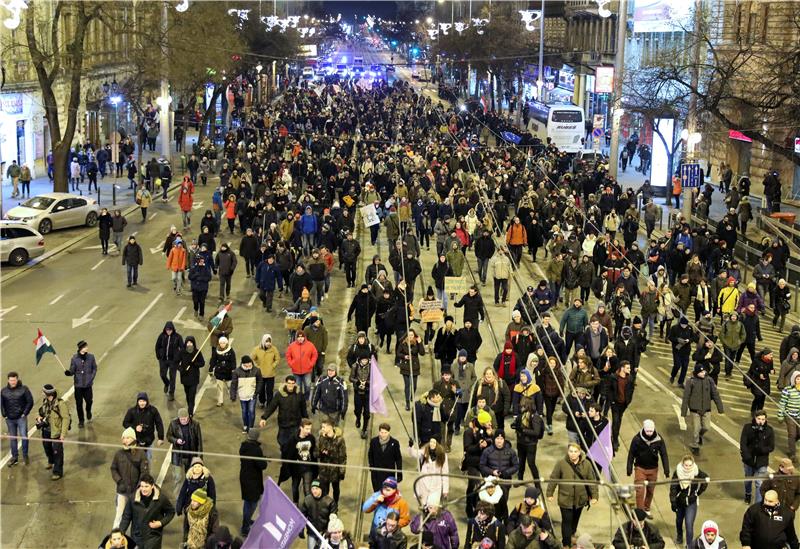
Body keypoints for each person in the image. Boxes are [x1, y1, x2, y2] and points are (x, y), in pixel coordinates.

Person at [547, 443, 599, 548]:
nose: (573, 454)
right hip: (565, 499)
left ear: (579, 452)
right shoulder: (561, 464)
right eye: (571, 451)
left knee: (575, 520)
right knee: (566, 521)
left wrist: (595, 496)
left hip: (580, 499)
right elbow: (553, 479)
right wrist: (549, 493)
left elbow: (591, 481)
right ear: (567, 451)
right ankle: (566, 543)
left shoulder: (587, 464)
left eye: (575, 451)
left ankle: (571, 535)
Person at [627, 418, 670, 515]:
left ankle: (646, 508)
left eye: (651, 431)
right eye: (647, 431)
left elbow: (664, 454)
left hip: (653, 469)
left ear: (654, 429)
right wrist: (629, 468)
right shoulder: (637, 439)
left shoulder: (659, 439)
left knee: (650, 490)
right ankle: (640, 511)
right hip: (640, 468)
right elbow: (631, 454)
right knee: (639, 491)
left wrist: (666, 470)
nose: (649, 433)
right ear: (643, 429)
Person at [681, 364, 724, 456]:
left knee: (706, 427)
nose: (703, 373)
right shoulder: (691, 381)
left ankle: (700, 435)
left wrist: (720, 408)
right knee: (696, 428)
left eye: (704, 371)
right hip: (694, 410)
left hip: (706, 409)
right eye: (701, 372)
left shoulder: (709, 380)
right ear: (697, 372)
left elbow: (715, 394)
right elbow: (686, 397)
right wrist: (684, 411)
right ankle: (695, 445)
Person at [111, 427, 149, 530]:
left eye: (128, 438)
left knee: (137, 517)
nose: (125, 440)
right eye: (123, 438)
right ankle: (115, 538)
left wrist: (139, 488)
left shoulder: (141, 454)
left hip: (136, 492)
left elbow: (144, 473)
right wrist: (119, 481)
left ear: (133, 438)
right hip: (122, 492)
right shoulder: (119, 454)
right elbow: (113, 469)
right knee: (119, 516)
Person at [669, 454, 708, 546]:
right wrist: (673, 501)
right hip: (680, 502)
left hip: (691, 502)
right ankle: (679, 536)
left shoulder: (696, 472)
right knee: (679, 521)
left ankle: (689, 545)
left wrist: (698, 493)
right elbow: (673, 488)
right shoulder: (677, 472)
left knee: (689, 524)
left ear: (693, 464)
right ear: (682, 464)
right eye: (686, 465)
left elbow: (705, 479)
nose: (688, 467)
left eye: (690, 465)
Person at [260, 375, 309, 447]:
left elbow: (303, 408)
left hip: (296, 423)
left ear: (295, 384)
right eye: (289, 383)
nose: (291, 385)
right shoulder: (279, 395)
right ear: (285, 383)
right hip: (283, 424)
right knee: (282, 441)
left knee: (295, 442)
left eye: (293, 383)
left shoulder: (299, 394)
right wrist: (264, 418)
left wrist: (306, 419)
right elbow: (272, 406)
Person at [129, 474, 175, 549]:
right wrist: (121, 533)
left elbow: (171, 512)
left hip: (153, 536)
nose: (143, 489)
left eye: (146, 486)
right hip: (137, 536)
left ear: (152, 486)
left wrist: (160, 523)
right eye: (142, 486)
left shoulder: (161, 499)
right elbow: (126, 516)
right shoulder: (133, 498)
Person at [35, 384, 70, 480]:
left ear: (47, 393)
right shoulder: (45, 401)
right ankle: (50, 461)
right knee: (47, 447)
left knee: (57, 452)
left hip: (56, 432)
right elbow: (41, 411)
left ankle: (57, 472)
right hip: (46, 430)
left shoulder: (60, 404)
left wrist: (62, 434)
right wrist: (39, 417)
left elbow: (66, 419)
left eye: (43, 392)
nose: (42, 393)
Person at [740, 409, 775, 504]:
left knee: (759, 483)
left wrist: (762, 449)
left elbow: (771, 447)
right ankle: (748, 494)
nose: (761, 421)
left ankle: (757, 504)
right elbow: (743, 443)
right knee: (748, 480)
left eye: (763, 419)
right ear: (755, 418)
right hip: (749, 460)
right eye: (759, 419)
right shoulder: (748, 428)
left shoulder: (769, 430)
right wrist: (746, 455)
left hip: (761, 461)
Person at [280, 418, 317, 504]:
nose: (309, 431)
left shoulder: (311, 438)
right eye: (307, 429)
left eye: (310, 429)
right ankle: (295, 503)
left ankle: (308, 507)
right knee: (295, 487)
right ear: (301, 427)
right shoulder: (293, 439)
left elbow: (314, 450)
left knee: (307, 489)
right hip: (296, 468)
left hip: (307, 468)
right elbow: (287, 452)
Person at [1, 371, 33, 466]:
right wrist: (4, 414)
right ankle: (14, 457)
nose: (13, 382)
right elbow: (1, 404)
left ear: (17, 379)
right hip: (9, 419)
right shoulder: (3, 391)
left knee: (24, 436)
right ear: (8, 380)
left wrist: (24, 413)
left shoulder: (24, 389)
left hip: (21, 418)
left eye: (14, 380)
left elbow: (30, 401)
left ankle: (25, 455)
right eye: (11, 380)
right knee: (13, 439)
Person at [239, 428, 267, 537]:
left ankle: (247, 521)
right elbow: (262, 465)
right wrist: (263, 460)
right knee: (252, 503)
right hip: (253, 480)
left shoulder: (243, 446)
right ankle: (245, 527)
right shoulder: (256, 450)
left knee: (248, 502)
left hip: (245, 477)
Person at [122, 392, 165, 460]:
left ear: (147, 401)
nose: (142, 403)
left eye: (144, 401)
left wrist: (160, 437)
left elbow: (159, 423)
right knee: (135, 461)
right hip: (135, 442)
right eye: (140, 401)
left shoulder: (153, 410)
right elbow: (125, 423)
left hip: (148, 441)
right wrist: (135, 427)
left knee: (147, 461)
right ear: (137, 402)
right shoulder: (132, 411)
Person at [165, 408, 203, 482]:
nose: (183, 421)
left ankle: (189, 493)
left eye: (185, 419)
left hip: (191, 456)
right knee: (177, 478)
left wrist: (199, 458)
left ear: (188, 417)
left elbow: (199, 442)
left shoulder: (195, 424)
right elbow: (168, 436)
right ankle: (178, 494)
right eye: (181, 419)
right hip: (178, 456)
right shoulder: (173, 424)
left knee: (191, 478)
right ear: (178, 418)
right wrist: (176, 440)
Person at [317, 417, 347, 504]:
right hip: (324, 470)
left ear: (330, 427)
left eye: (324, 427)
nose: (322, 429)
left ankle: (335, 504)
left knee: (336, 489)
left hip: (335, 470)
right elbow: (316, 452)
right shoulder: (321, 438)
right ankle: (326, 505)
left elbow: (342, 456)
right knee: (325, 490)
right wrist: (321, 452)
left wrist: (342, 471)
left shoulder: (339, 440)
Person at [230, 355, 263, 433]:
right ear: (243, 364)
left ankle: (250, 427)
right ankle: (245, 425)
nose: (249, 366)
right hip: (242, 396)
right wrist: (233, 395)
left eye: (250, 364)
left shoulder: (256, 370)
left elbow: (260, 381)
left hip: (252, 395)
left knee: (251, 411)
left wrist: (257, 392)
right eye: (246, 364)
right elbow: (233, 384)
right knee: (244, 411)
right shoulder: (237, 372)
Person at [301, 479, 337, 549]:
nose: (314, 491)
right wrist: (301, 529)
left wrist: (329, 532)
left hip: (324, 534)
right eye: (313, 488)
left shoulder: (329, 502)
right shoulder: (307, 500)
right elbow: (302, 516)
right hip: (312, 532)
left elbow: (333, 519)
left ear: (321, 489)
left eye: (316, 489)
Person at [368, 423, 403, 492]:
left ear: (389, 432)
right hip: (376, 474)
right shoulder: (374, 442)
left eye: (385, 432)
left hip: (389, 474)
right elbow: (370, 454)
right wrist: (372, 467)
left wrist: (399, 474)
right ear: (379, 432)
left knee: (388, 493)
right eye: (382, 432)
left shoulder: (394, 443)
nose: (383, 434)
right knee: (378, 493)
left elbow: (398, 459)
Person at [286, 330, 319, 399]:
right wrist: (291, 364)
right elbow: (288, 355)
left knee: (307, 386)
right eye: (298, 337)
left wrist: (311, 363)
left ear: (304, 337)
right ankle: (299, 400)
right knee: (298, 387)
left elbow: (315, 354)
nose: (300, 338)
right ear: (296, 338)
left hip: (307, 371)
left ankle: (306, 398)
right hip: (296, 371)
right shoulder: (292, 346)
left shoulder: (310, 345)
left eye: (302, 337)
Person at [154, 322, 183, 402]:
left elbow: (182, 348)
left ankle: (171, 393)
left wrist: (179, 358)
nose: (168, 331)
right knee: (162, 374)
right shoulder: (162, 336)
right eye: (167, 330)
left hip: (173, 361)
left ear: (173, 329)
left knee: (172, 377)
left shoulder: (178, 337)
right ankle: (167, 383)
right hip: (163, 360)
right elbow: (157, 346)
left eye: (170, 330)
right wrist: (158, 355)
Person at [251, 334, 280, 408]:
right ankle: (262, 401)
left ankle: (269, 404)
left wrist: (273, 365)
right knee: (261, 389)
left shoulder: (274, 349)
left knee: (269, 390)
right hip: (260, 373)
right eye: (266, 341)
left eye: (270, 341)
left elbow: (277, 359)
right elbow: (252, 358)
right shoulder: (257, 349)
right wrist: (257, 366)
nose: (268, 343)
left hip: (270, 374)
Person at [777, 371, 800, 462]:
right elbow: (782, 403)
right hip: (789, 415)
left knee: (798, 434)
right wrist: (780, 415)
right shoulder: (787, 390)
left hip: (799, 416)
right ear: (794, 380)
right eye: (798, 379)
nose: (799, 381)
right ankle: (792, 454)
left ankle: (792, 443)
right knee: (792, 434)